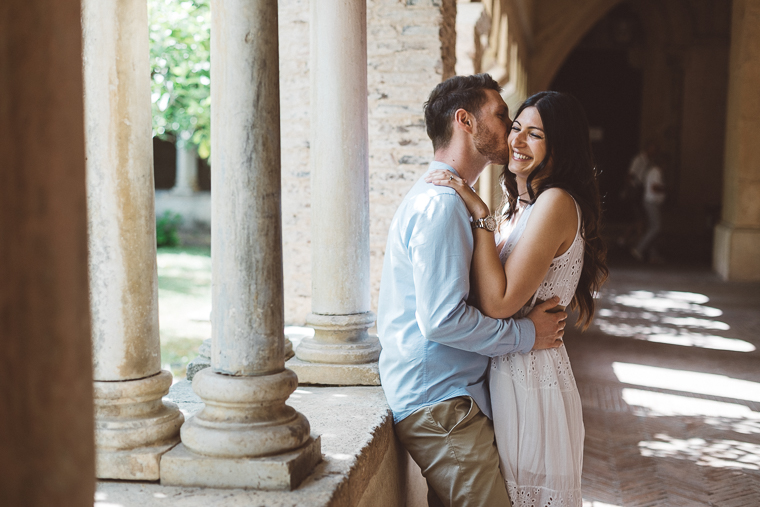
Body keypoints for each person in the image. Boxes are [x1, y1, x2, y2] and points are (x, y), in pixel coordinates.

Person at [377, 75, 568, 507]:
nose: (511, 129)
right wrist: (528, 335)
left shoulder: (453, 199)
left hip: (451, 402)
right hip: (440, 406)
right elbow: (442, 319)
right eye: (502, 116)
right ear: (465, 121)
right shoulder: (441, 204)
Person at [426, 91, 608, 506]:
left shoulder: (556, 203)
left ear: (559, 147)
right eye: (515, 129)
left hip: (531, 380)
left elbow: (499, 302)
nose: (517, 142)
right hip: (507, 370)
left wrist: (478, 211)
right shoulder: (522, 206)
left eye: (536, 135)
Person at [631, 155, 666, 263]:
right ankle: (638, 248)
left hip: (651, 201)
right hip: (652, 202)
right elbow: (654, 187)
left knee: (653, 228)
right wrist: (666, 189)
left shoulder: (652, 171)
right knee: (656, 228)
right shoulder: (656, 171)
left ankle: (653, 255)